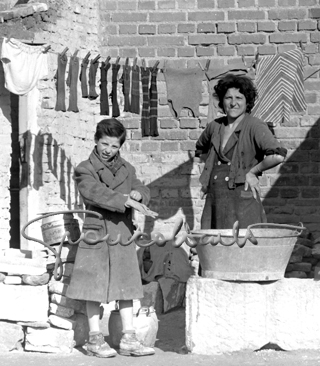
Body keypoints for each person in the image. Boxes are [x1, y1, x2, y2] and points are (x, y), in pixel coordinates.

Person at [67, 118, 157, 358]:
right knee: (92, 287)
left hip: (122, 231)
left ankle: (129, 338)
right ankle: (95, 339)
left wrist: (139, 193)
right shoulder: (84, 168)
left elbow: (142, 188)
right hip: (96, 231)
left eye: (114, 146)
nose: (108, 150)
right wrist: (125, 200)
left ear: (120, 146)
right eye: (104, 144)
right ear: (96, 141)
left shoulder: (127, 169)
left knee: (125, 285)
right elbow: (93, 192)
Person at [195, 74, 287, 230]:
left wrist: (252, 172)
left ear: (247, 102)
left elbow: (277, 156)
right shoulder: (214, 127)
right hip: (215, 199)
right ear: (222, 101)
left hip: (242, 199)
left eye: (239, 98)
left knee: (244, 247)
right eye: (228, 98)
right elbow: (200, 151)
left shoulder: (254, 126)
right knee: (215, 247)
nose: (233, 103)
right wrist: (209, 176)